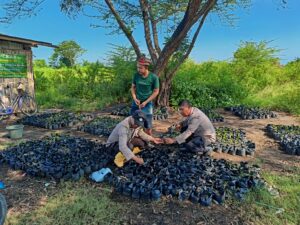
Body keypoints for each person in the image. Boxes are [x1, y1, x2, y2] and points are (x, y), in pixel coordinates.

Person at [131, 56, 160, 135]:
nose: (138, 70)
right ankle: (134, 139)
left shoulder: (154, 77)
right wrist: (135, 98)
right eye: (137, 67)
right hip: (136, 102)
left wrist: (146, 102)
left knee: (148, 125)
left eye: (140, 68)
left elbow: (156, 92)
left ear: (146, 67)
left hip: (147, 103)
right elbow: (133, 88)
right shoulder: (136, 75)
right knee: (133, 122)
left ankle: (148, 142)